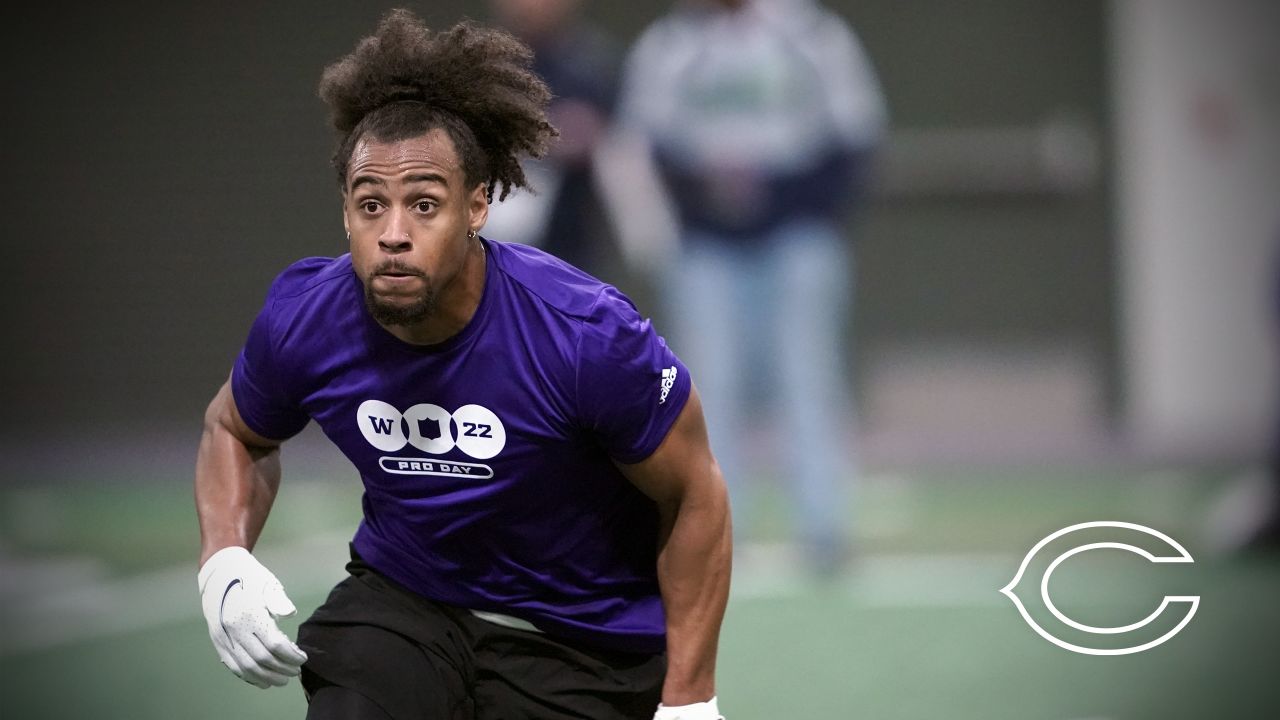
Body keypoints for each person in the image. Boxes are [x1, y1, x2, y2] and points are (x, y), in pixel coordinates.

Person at [193, 9, 731, 720]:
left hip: (579, 637)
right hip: (409, 606)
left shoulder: (585, 334)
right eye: (370, 204)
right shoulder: (307, 318)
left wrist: (691, 699)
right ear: (345, 214)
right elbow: (234, 430)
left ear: (478, 205)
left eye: (423, 204)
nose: (392, 234)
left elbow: (695, 495)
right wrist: (224, 559)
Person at [615, 0, 887, 574]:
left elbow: (858, 133)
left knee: (809, 376)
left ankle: (823, 527)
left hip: (797, 238)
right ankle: (714, 529)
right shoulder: (670, 45)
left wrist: (798, 204)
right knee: (707, 390)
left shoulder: (811, 34)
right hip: (705, 247)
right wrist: (681, 216)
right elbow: (637, 147)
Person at [484, 0, 621, 275]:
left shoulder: (593, 63)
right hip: (493, 233)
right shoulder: (479, 65)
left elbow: (624, 141)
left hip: (574, 234)